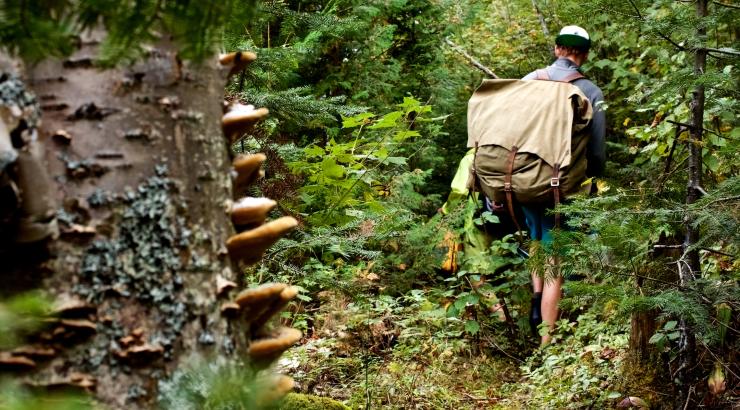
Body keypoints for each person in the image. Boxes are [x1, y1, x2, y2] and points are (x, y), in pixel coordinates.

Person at [522, 25, 606, 344]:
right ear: (583, 55)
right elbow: (596, 153)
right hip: (561, 187)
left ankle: (535, 299)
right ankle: (546, 342)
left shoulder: (529, 81)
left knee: (536, 236)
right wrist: (593, 176)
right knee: (555, 257)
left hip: (523, 180)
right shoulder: (590, 91)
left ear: (558, 49)